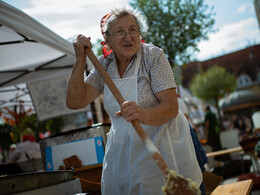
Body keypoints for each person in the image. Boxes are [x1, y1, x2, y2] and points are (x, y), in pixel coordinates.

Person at [66, 8, 205, 195]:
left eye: (133, 30)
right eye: (120, 32)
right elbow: (75, 100)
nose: (128, 37)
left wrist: (143, 113)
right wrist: (79, 59)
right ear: (107, 39)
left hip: (163, 143)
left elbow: (171, 107)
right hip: (124, 151)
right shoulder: (104, 65)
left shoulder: (153, 56)